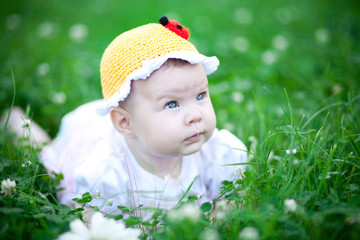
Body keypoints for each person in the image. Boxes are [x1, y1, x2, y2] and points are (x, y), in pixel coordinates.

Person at [10, 16, 248, 216]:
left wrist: (220, 216)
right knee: (49, 161)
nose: (195, 115)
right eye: (172, 104)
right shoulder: (104, 174)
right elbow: (93, 225)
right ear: (125, 122)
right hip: (88, 139)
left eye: (200, 96)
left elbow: (237, 201)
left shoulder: (219, 154)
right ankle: (16, 123)